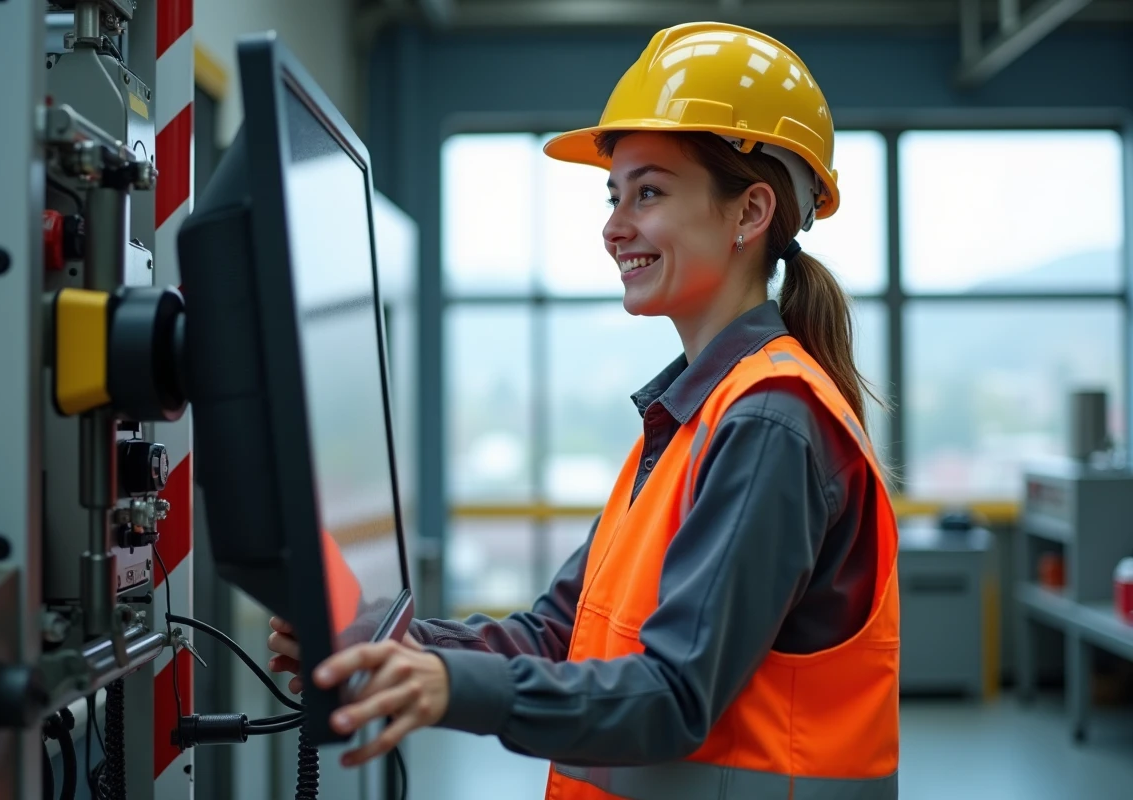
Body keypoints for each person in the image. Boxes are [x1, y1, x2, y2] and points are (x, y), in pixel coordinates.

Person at [267, 21, 901, 799]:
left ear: (749, 212)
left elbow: (674, 696)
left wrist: (449, 686)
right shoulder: (690, 420)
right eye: (615, 195)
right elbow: (556, 634)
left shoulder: (767, 422)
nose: (614, 226)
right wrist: (389, 645)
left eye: (650, 192)